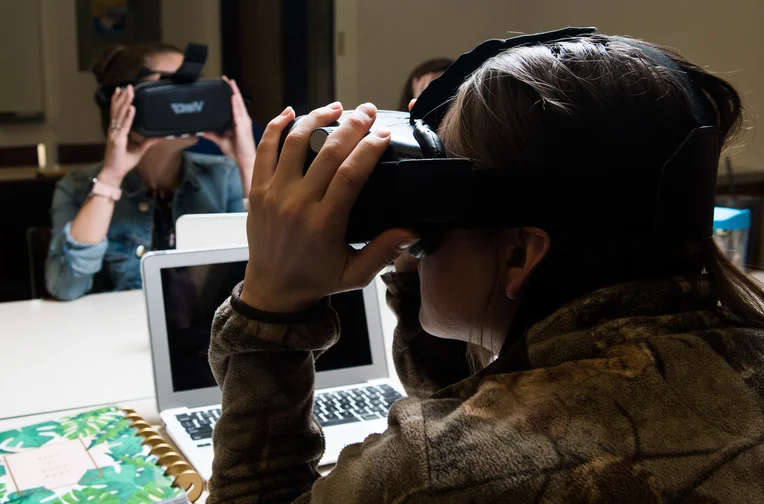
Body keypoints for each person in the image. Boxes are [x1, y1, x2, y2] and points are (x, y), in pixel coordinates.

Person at [206, 34, 764, 502]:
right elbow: (484, 384)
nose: (420, 235)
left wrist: (272, 306)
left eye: (433, 224)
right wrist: (416, 240)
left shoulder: (432, 473)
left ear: (521, 254)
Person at [45, 42, 256, 301]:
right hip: (113, 332)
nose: (191, 100)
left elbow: (269, 268)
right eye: (174, 87)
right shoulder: (77, 188)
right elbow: (65, 287)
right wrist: (111, 178)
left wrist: (247, 161)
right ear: (124, 101)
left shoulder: (224, 177)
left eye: (194, 85)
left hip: (202, 334)